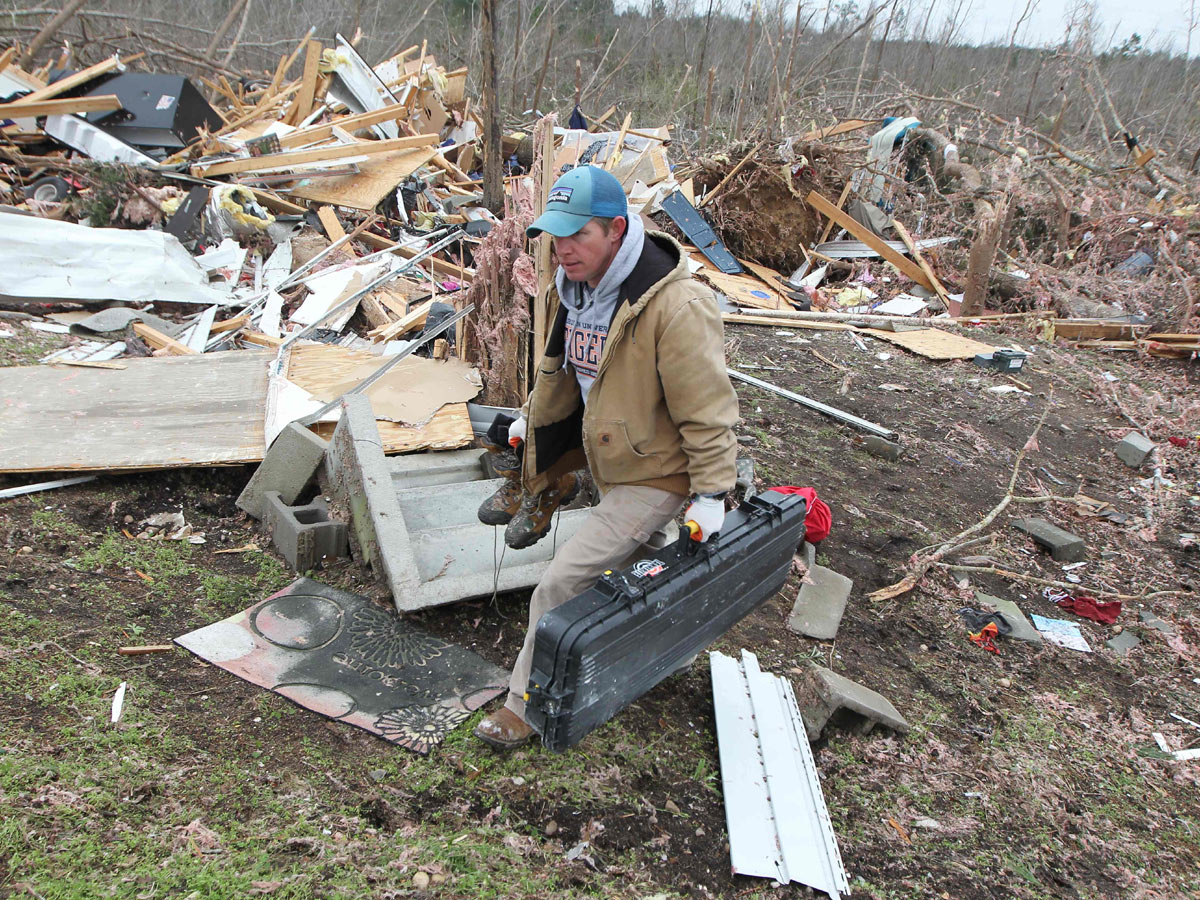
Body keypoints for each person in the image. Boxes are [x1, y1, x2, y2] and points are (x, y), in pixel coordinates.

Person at [474, 165, 739, 750]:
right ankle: (639, 659)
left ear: (617, 231)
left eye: (579, 235)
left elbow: (709, 409)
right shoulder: (580, 293)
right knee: (638, 574)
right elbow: (562, 376)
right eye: (555, 235)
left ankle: (526, 706)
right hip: (611, 466)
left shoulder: (676, 307)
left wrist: (713, 493)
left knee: (560, 583)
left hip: (656, 474)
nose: (562, 249)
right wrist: (529, 420)